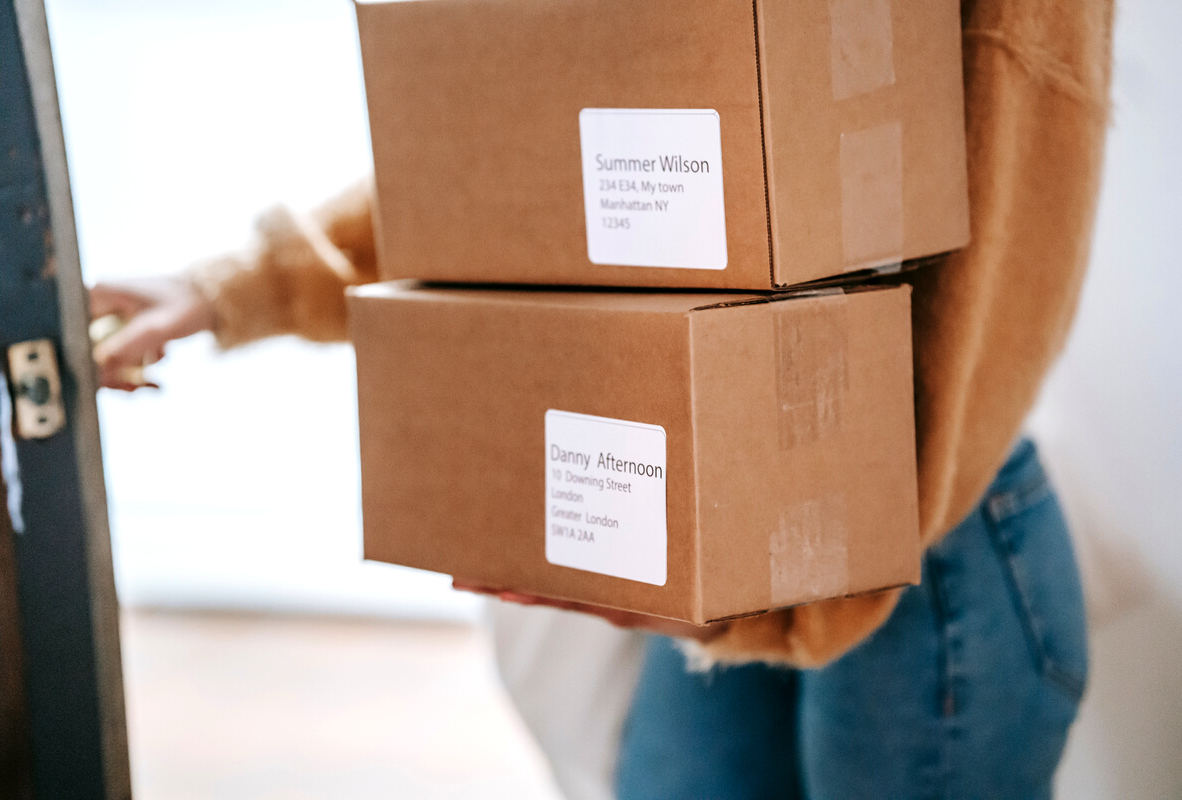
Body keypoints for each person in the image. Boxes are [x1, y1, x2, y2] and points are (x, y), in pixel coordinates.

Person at [91, 0, 1114, 795]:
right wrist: (240, 287)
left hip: (932, 549)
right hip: (744, 537)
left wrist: (783, 584)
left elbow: (1002, 243)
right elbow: (545, 160)